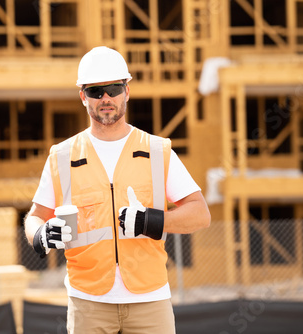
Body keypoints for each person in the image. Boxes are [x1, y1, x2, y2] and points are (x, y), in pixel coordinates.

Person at [24, 46, 211, 334]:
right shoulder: (62, 156)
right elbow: (35, 216)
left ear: (126, 90)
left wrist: (155, 220)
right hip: (88, 301)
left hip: (150, 300)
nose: (106, 98)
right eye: (96, 91)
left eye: (113, 88)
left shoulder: (157, 151)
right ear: (83, 96)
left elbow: (200, 214)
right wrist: (39, 234)